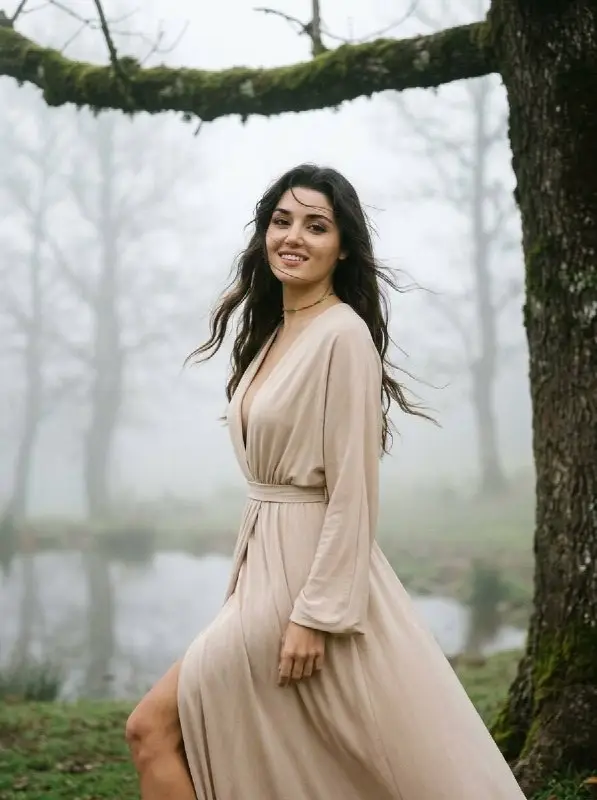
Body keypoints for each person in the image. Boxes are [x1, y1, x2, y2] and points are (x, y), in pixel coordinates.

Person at [125, 164, 527, 799]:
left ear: (343, 247)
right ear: (263, 233)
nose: (294, 237)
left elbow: (353, 492)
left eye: (316, 226)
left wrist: (316, 615)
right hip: (260, 567)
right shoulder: (277, 331)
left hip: (302, 579)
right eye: (282, 221)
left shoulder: (344, 335)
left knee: (151, 727)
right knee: (261, 744)